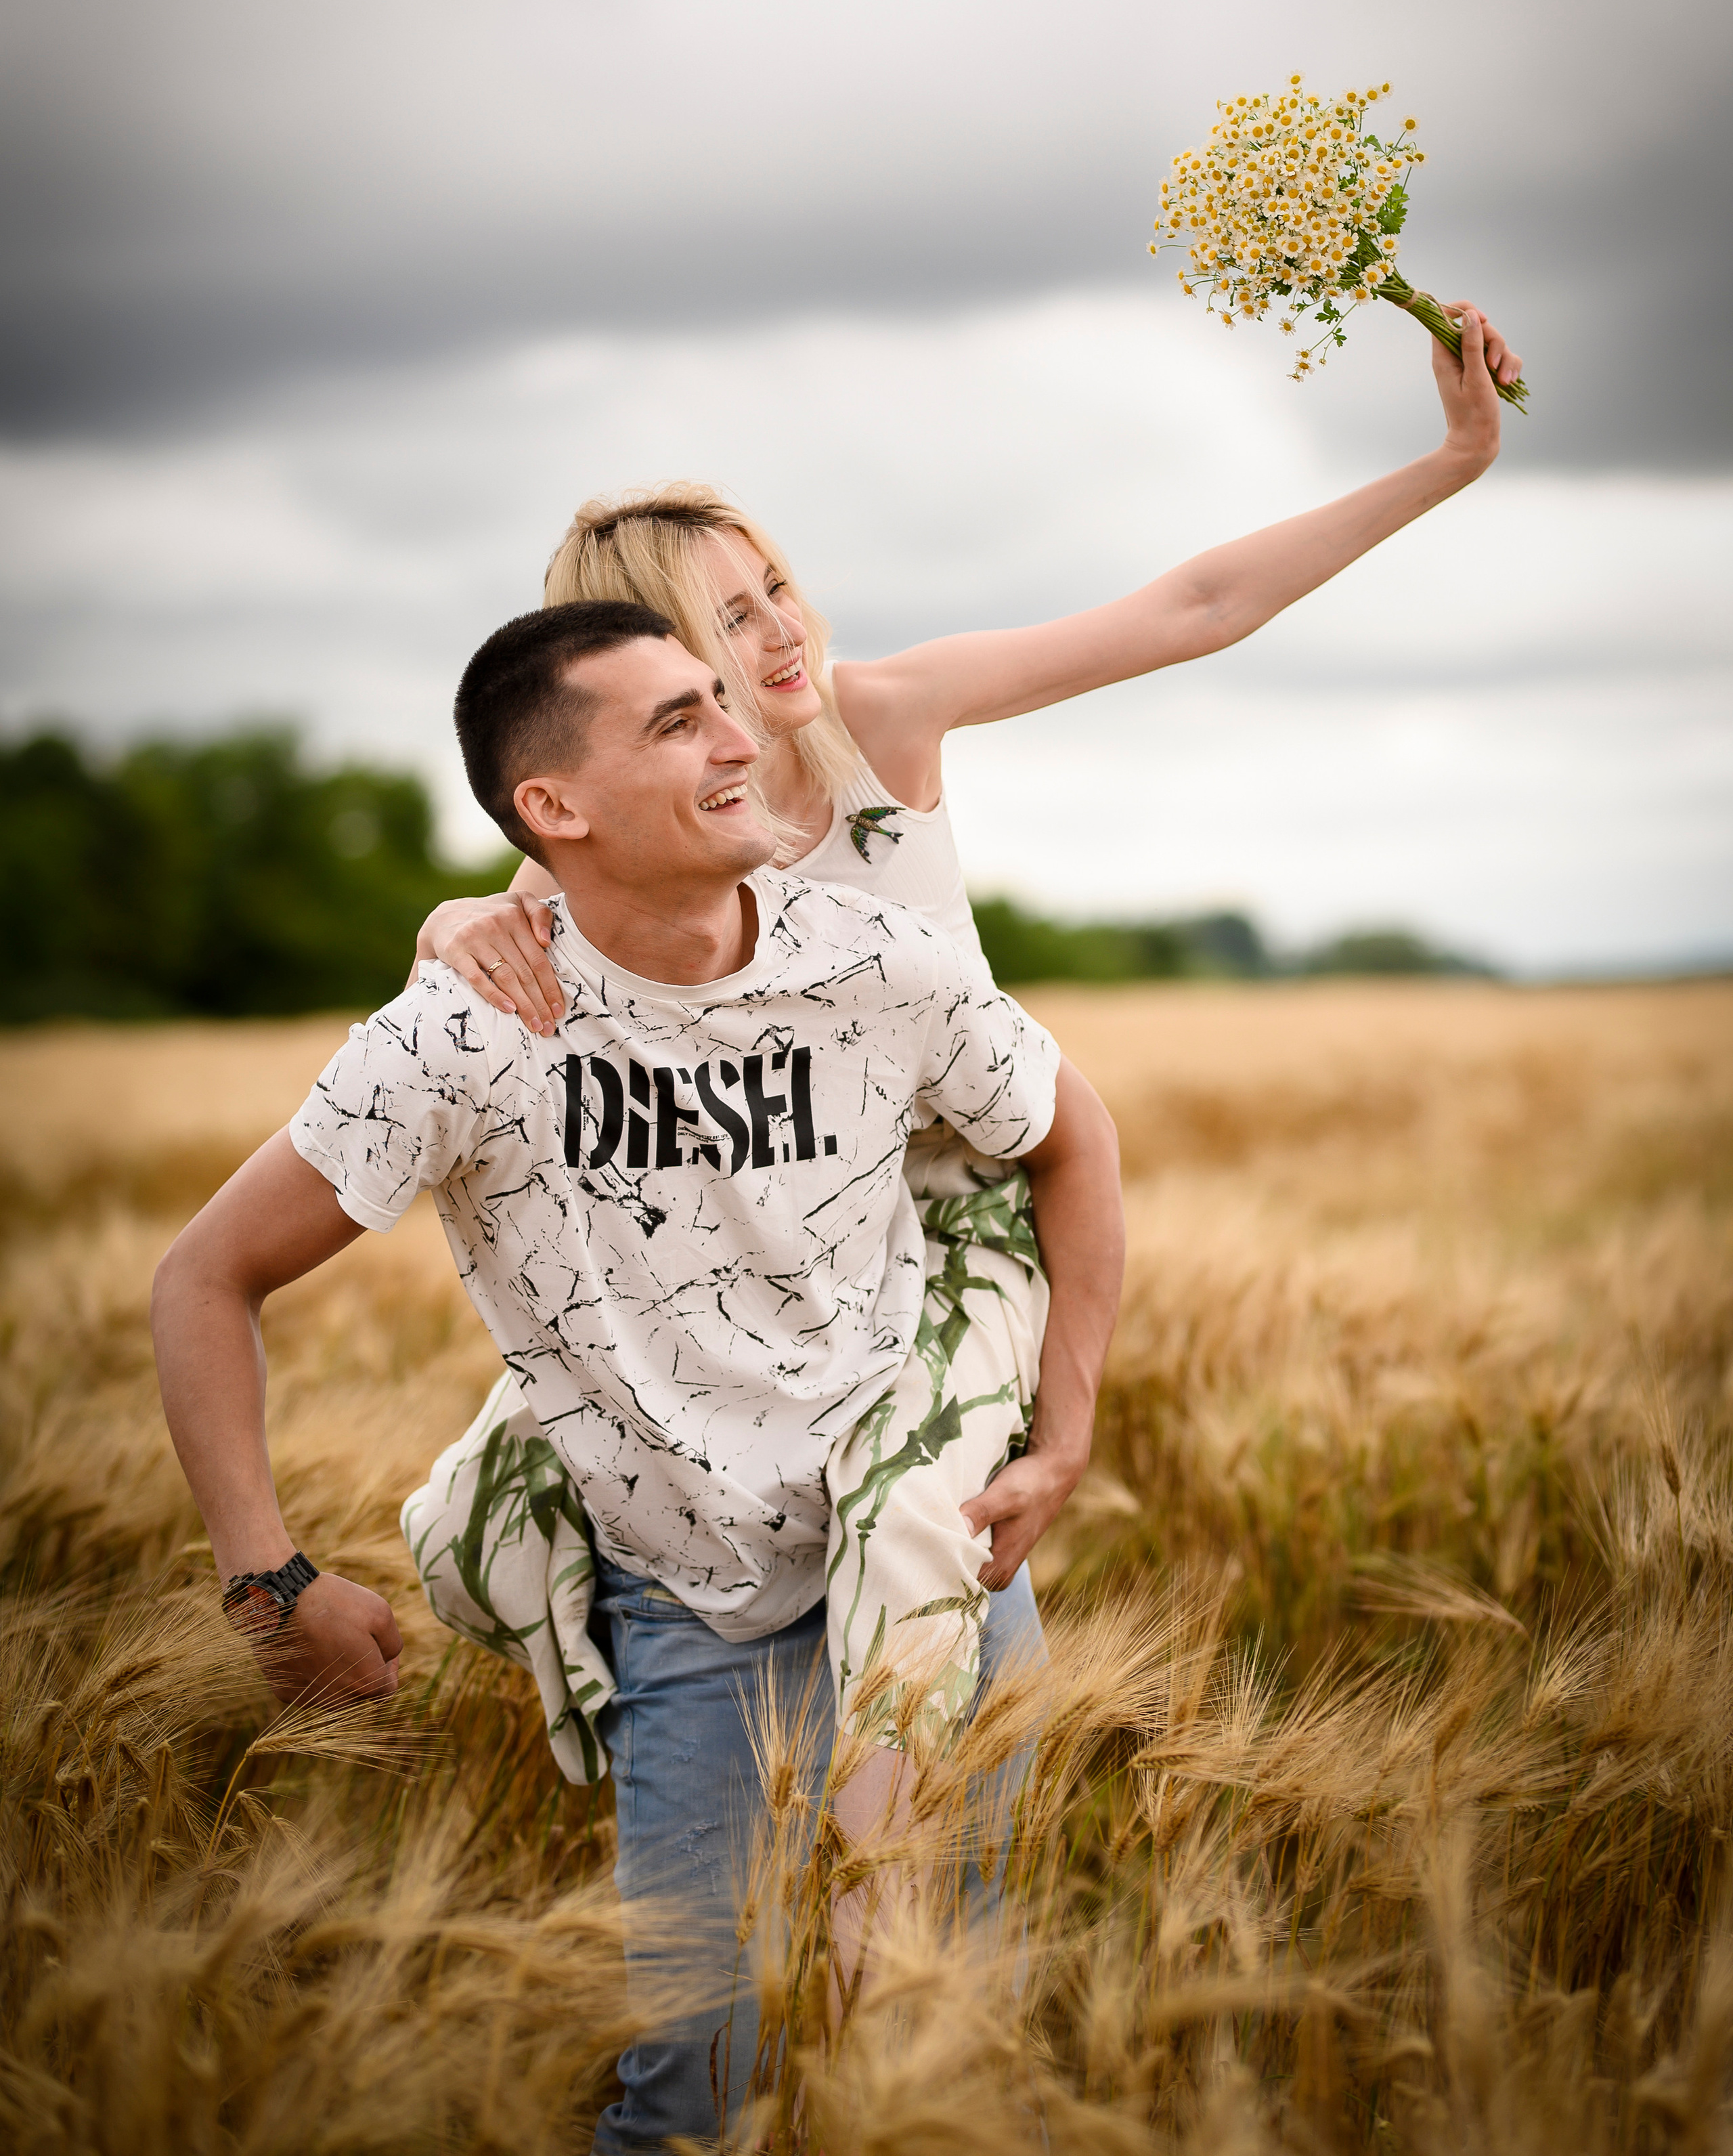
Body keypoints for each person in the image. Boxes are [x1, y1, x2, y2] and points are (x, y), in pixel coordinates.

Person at [408, 300, 1521, 1693]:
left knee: (912, 1528)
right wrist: (445, 920)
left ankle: (907, 1875)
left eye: (775, 589)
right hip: (765, 1252)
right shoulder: (601, 838)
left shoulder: (878, 717)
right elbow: (471, 977)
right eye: (726, 617)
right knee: (470, 1526)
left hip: (954, 1224)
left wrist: (1451, 457)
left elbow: (1191, 608)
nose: (778, 633)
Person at [152, 599, 1124, 2153]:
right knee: (697, 2087)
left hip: (945, 1574)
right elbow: (203, 1276)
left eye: (725, 705)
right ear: (554, 808)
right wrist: (265, 1581)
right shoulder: (462, 1035)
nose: (744, 739)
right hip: (693, 1607)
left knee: (952, 2037)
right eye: (678, 721)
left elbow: (1072, 1138)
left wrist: (1063, 1430)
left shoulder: (881, 963)